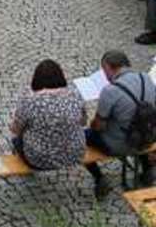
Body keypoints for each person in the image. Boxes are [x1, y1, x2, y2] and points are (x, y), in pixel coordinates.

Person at [85, 51, 156, 194]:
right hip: (147, 137)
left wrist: (92, 123)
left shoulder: (110, 91)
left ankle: (99, 179)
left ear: (109, 67)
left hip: (119, 145)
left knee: (81, 137)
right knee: (138, 126)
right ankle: (148, 169)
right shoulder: (146, 79)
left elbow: (99, 126)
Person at [10, 60, 86, 170]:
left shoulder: (30, 101)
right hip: (75, 155)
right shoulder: (76, 95)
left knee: (16, 140)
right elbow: (83, 122)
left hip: (40, 159)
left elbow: (15, 129)